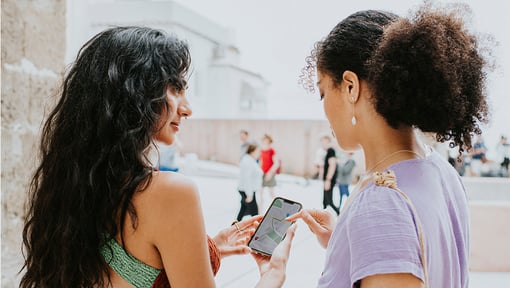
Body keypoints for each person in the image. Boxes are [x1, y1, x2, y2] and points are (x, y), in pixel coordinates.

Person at [20, 26, 296, 288]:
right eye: (175, 88)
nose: (187, 109)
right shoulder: (172, 193)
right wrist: (272, 276)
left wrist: (209, 249)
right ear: (134, 94)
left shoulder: (74, 188)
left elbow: (134, 267)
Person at [289, 4, 490, 288]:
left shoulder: (381, 203)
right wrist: (347, 245)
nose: (323, 109)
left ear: (350, 86)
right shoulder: (442, 173)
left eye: (322, 93)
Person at [237, 143, 262, 221]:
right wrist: (249, 194)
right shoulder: (247, 161)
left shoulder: (251, 160)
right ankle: (257, 229)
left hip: (248, 190)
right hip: (247, 191)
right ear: (252, 151)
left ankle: (235, 225)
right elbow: (246, 179)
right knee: (255, 214)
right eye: (258, 151)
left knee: (243, 210)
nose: (259, 153)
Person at [259, 134, 280, 211]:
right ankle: (259, 212)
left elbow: (276, 163)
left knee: (271, 194)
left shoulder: (272, 151)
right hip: (262, 173)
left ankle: (278, 208)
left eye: (266, 139)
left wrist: (270, 173)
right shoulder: (261, 150)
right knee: (260, 194)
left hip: (270, 174)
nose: (265, 141)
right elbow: (261, 162)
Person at [320, 135, 339, 215]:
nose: (321, 144)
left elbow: (332, 165)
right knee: (325, 201)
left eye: (323, 142)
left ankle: (339, 213)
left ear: (328, 142)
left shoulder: (331, 151)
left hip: (329, 180)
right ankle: (323, 216)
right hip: (328, 180)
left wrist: (328, 180)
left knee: (329, 201)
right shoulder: (328, 151)